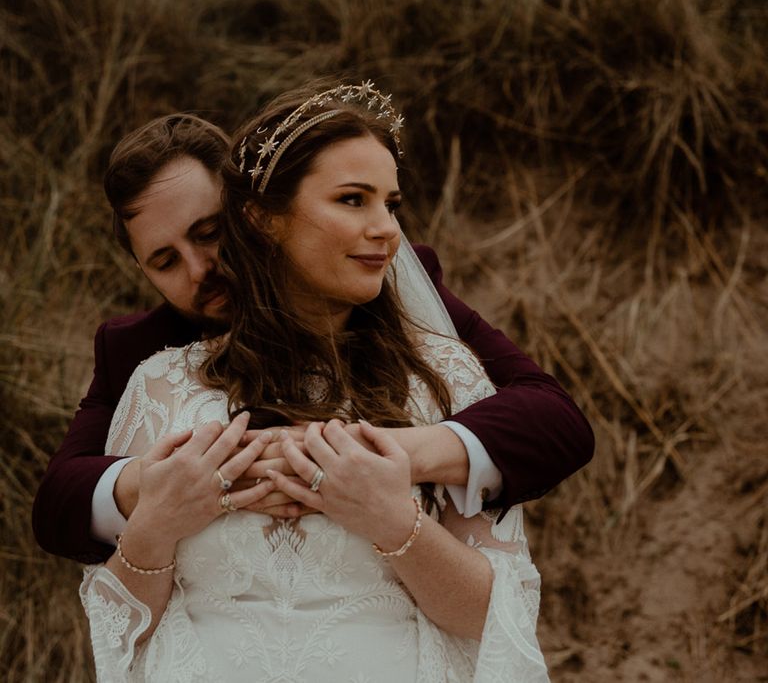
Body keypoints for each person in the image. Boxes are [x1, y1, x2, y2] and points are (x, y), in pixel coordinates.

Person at [78, 81, 558, 682]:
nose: (387, 230)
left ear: (238, 220)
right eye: (353, 200)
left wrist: (390, 512)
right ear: (266, 220)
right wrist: (155, 519)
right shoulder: (158, 384)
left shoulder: (443, 373)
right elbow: (119, 629)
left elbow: (494, 617)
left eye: (389, 203)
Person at [32, 113, 594, 565]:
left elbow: (554, 419)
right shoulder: (135, 348)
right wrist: (159, 483)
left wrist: (390, 456)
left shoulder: (376, 279)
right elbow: (57, 502)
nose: (200, 269)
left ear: (256, 213)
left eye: (210, 232)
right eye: (164, 260)